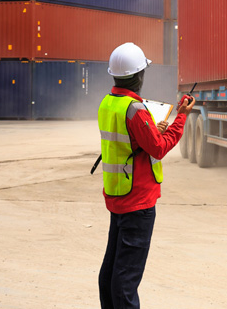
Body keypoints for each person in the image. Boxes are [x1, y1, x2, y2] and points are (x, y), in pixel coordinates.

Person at [96, 42, 194, 308]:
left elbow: (129, 143)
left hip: (118, 196)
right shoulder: (136, 110)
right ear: (139, 76)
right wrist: (181, 117)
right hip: (138, 202)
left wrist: (152, 130)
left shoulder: (109, 104)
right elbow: (158, 149)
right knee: (125, 283)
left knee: (110, 277)